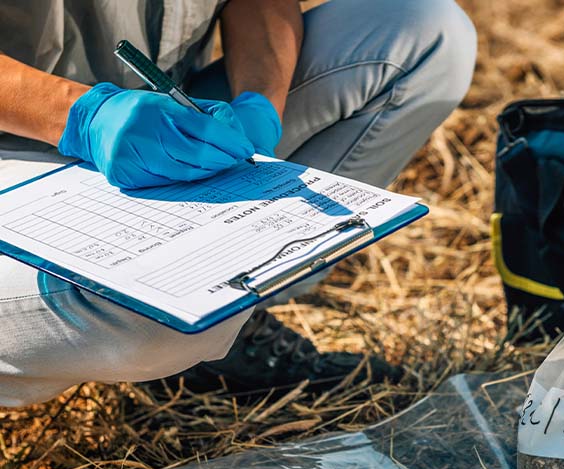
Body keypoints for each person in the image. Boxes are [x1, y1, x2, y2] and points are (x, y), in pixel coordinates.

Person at [0, 0, 476, 406]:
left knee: (424, 31)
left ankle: (226, 337)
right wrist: (78, 114)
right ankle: (194, 335)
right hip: (17, 156)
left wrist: (262, 101)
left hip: (166, 126)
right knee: (171, 311)